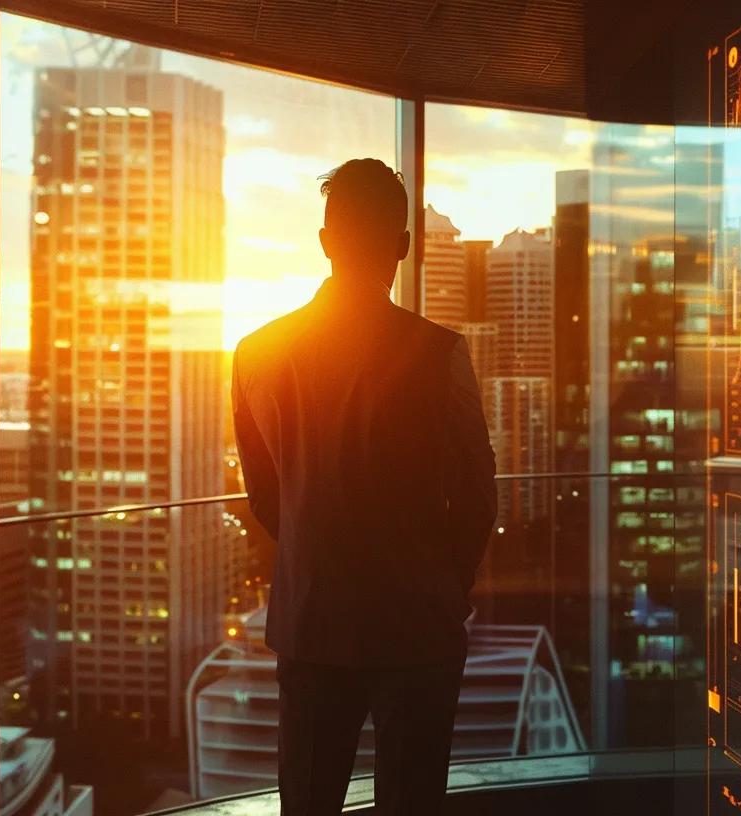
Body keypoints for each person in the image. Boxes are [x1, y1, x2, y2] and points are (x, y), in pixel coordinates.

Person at [232, 158, 497, 816]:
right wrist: (443, 581)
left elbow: (263, 492)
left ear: (325, 241)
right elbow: (475, 491)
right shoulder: (439, 353)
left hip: (311, 619)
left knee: (309, 801)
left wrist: (312, 559)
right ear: (402, 248)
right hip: (417, 624)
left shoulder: (256, 352)